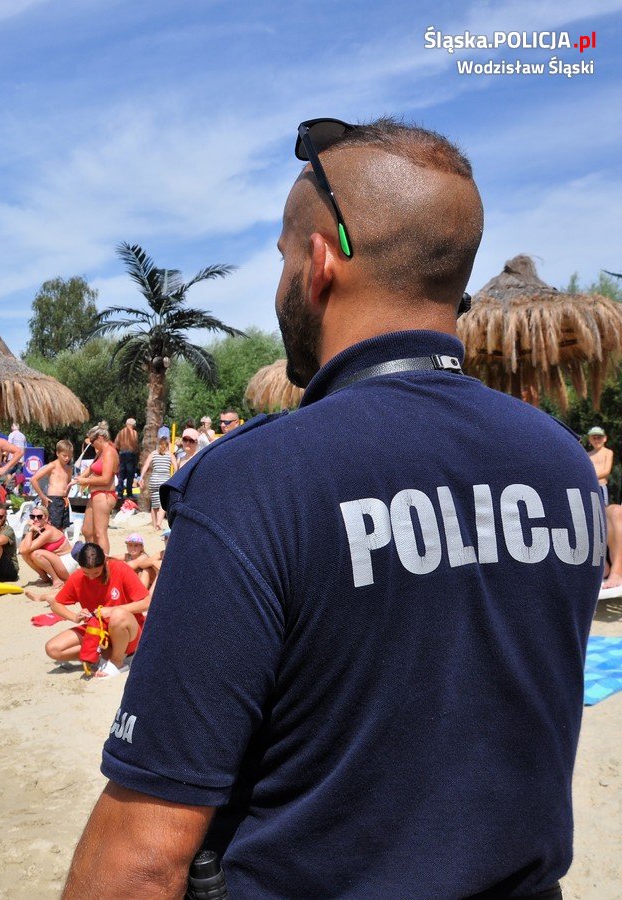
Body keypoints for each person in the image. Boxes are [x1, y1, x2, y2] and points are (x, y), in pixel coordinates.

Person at [67, 119, 602, 898]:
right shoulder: (561, 465)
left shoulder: (254, 483)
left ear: (319, 264)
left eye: (284, 257)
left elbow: (141, 860)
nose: (281, 278)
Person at [39, 542, 149, 679]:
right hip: (98, 629)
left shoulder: (119, 568)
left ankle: (117, 662)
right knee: (53, 649)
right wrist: (74, 617)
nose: (91, 577)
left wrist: (113, 610)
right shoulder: (77, 577)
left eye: (96, 572)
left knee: (118, 615)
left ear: (104, 562)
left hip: (128, 631)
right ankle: (101, 656)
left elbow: (147, 602)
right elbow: (56, 604)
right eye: (86, 573)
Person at [74, 425, 119, 555]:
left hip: (104, 494)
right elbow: (90, 470)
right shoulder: (100, 452)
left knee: (100, 533)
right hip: (95, 494)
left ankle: (104, 563)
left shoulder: (110, 452)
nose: (92, 445)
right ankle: (93, 557)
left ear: (100, 438)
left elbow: (105, 479)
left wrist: (85, 481)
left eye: (93, 442)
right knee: (87, 530)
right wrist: (76, 480)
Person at [18, 504, 75, 588]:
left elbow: (23, 549)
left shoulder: (48, 531)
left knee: (36, 554)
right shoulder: (38, 529)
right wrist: (30, 530)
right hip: (57, 562)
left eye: (39, 517)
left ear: (46, 518)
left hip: (66, 565)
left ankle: (56, 580)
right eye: (32, 516)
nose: (35, 519)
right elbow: (22, 550)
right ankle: (46, 579)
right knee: (26, 554)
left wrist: (30, 530)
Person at [31, 440, 74, 531]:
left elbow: (68, 483)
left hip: (64, 500)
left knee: (62, 527)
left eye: (69, 456)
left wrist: (66, 496)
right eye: (64, 455)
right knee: (52, 527)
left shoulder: (69, 469)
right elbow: (33, 479)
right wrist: (43, 496)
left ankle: (59, 544)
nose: (67, 458)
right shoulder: (52, 465)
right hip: (53, 499)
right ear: (57, 453)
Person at [136, 434, 175, 530]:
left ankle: (154, 526)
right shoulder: (170, 454)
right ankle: (159, 522)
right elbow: (175, 466)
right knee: (163, 502)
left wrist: (141, 477)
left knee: (154, 504)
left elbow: (146, 465)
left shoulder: (153, 453)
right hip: (164, 479)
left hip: (154, 480)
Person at [114, 418, 139, 500]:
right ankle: (129, 493)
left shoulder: (120, 432)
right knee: (130, 475)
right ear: (133, 425)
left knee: (121, 474)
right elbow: (136, 445)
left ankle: (120, 493)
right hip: (131, 454)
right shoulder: (134, 433)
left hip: (122, 454)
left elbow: (116, 445)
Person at [587, 426, 613, 504]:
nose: (596, 440)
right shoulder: (588, 454)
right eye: (594, 438)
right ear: (590, 440)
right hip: (590, 486)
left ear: (604, 438)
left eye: (599, 438)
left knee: (603, 508)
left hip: (601, 485)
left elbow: (606, 471)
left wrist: (592, 477)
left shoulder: (608, 452)